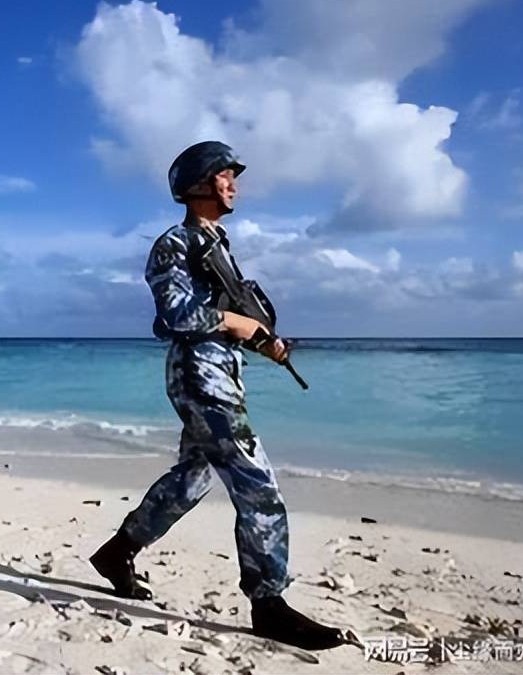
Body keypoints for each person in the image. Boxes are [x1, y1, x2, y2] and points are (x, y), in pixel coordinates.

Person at [88, 141, 347, 651]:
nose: (234, 185)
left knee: (193, 478)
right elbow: (174, 316)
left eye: (233, 176)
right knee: (258, 486)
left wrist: (261, 340)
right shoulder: (174, 243)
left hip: (221, 372)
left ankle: (118, 552)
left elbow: (228, 316)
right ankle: (268, 604)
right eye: (225, 175)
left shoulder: (218, 244)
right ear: (198, 184)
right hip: (200, 377)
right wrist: (237, 322)